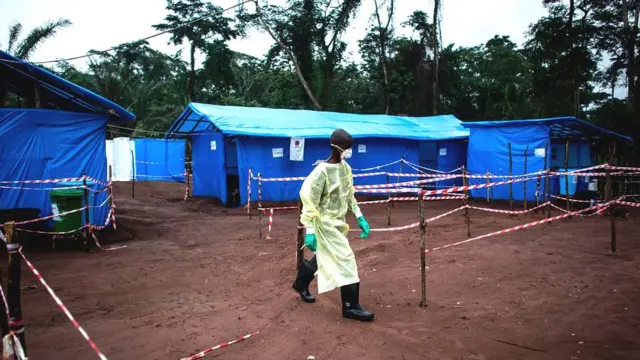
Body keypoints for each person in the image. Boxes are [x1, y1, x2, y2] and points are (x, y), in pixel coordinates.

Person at [291, 129, 374, 322]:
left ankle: (300, 283)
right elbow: (309, 200)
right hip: (324, 223)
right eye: (347, 148)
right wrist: (310, 231)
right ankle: (350, 306)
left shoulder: (345, 168)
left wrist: (360, 217)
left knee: (324, 255)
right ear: (337, 148)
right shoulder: (321, 172)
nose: (349, 151)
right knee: (346, 258)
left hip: (338, 222)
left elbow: (349, 194)